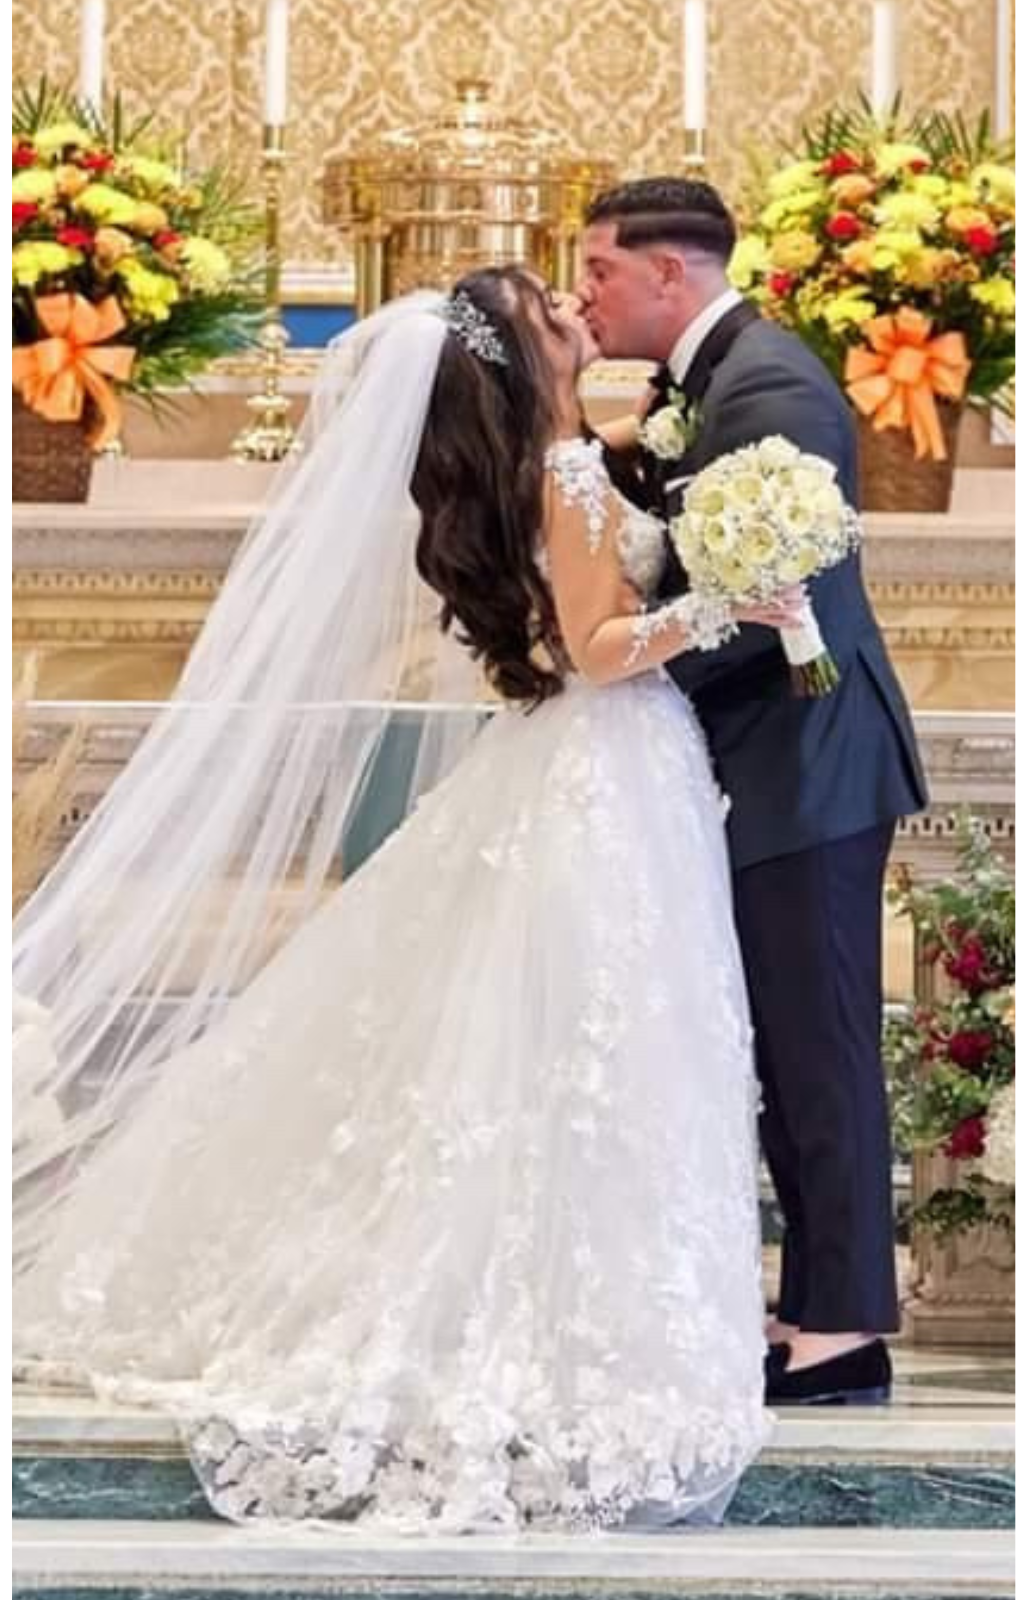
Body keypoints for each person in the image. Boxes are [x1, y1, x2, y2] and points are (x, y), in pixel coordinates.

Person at [12, 268, 796, 1533]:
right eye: (553, 307)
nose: (574, 315)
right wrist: (726, 606)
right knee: (604, 1046)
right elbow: (597, 652)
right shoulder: (570, 473)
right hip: (610, 769)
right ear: (519, 351)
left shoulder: (532, 471)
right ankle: (572, 1314)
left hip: (566, 774)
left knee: (550, 1050)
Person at [579, 177, 926, 1405]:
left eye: (598, 272)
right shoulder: (703, 385)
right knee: (781, 1034)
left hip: (806, 752)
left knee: (818, 1032)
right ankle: (807, 1306)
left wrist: (621, 664)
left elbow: (777, 609)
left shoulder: (768, 388)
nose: (584, 293)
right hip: (768, 758)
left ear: (667, 273)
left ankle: (841, 1327)